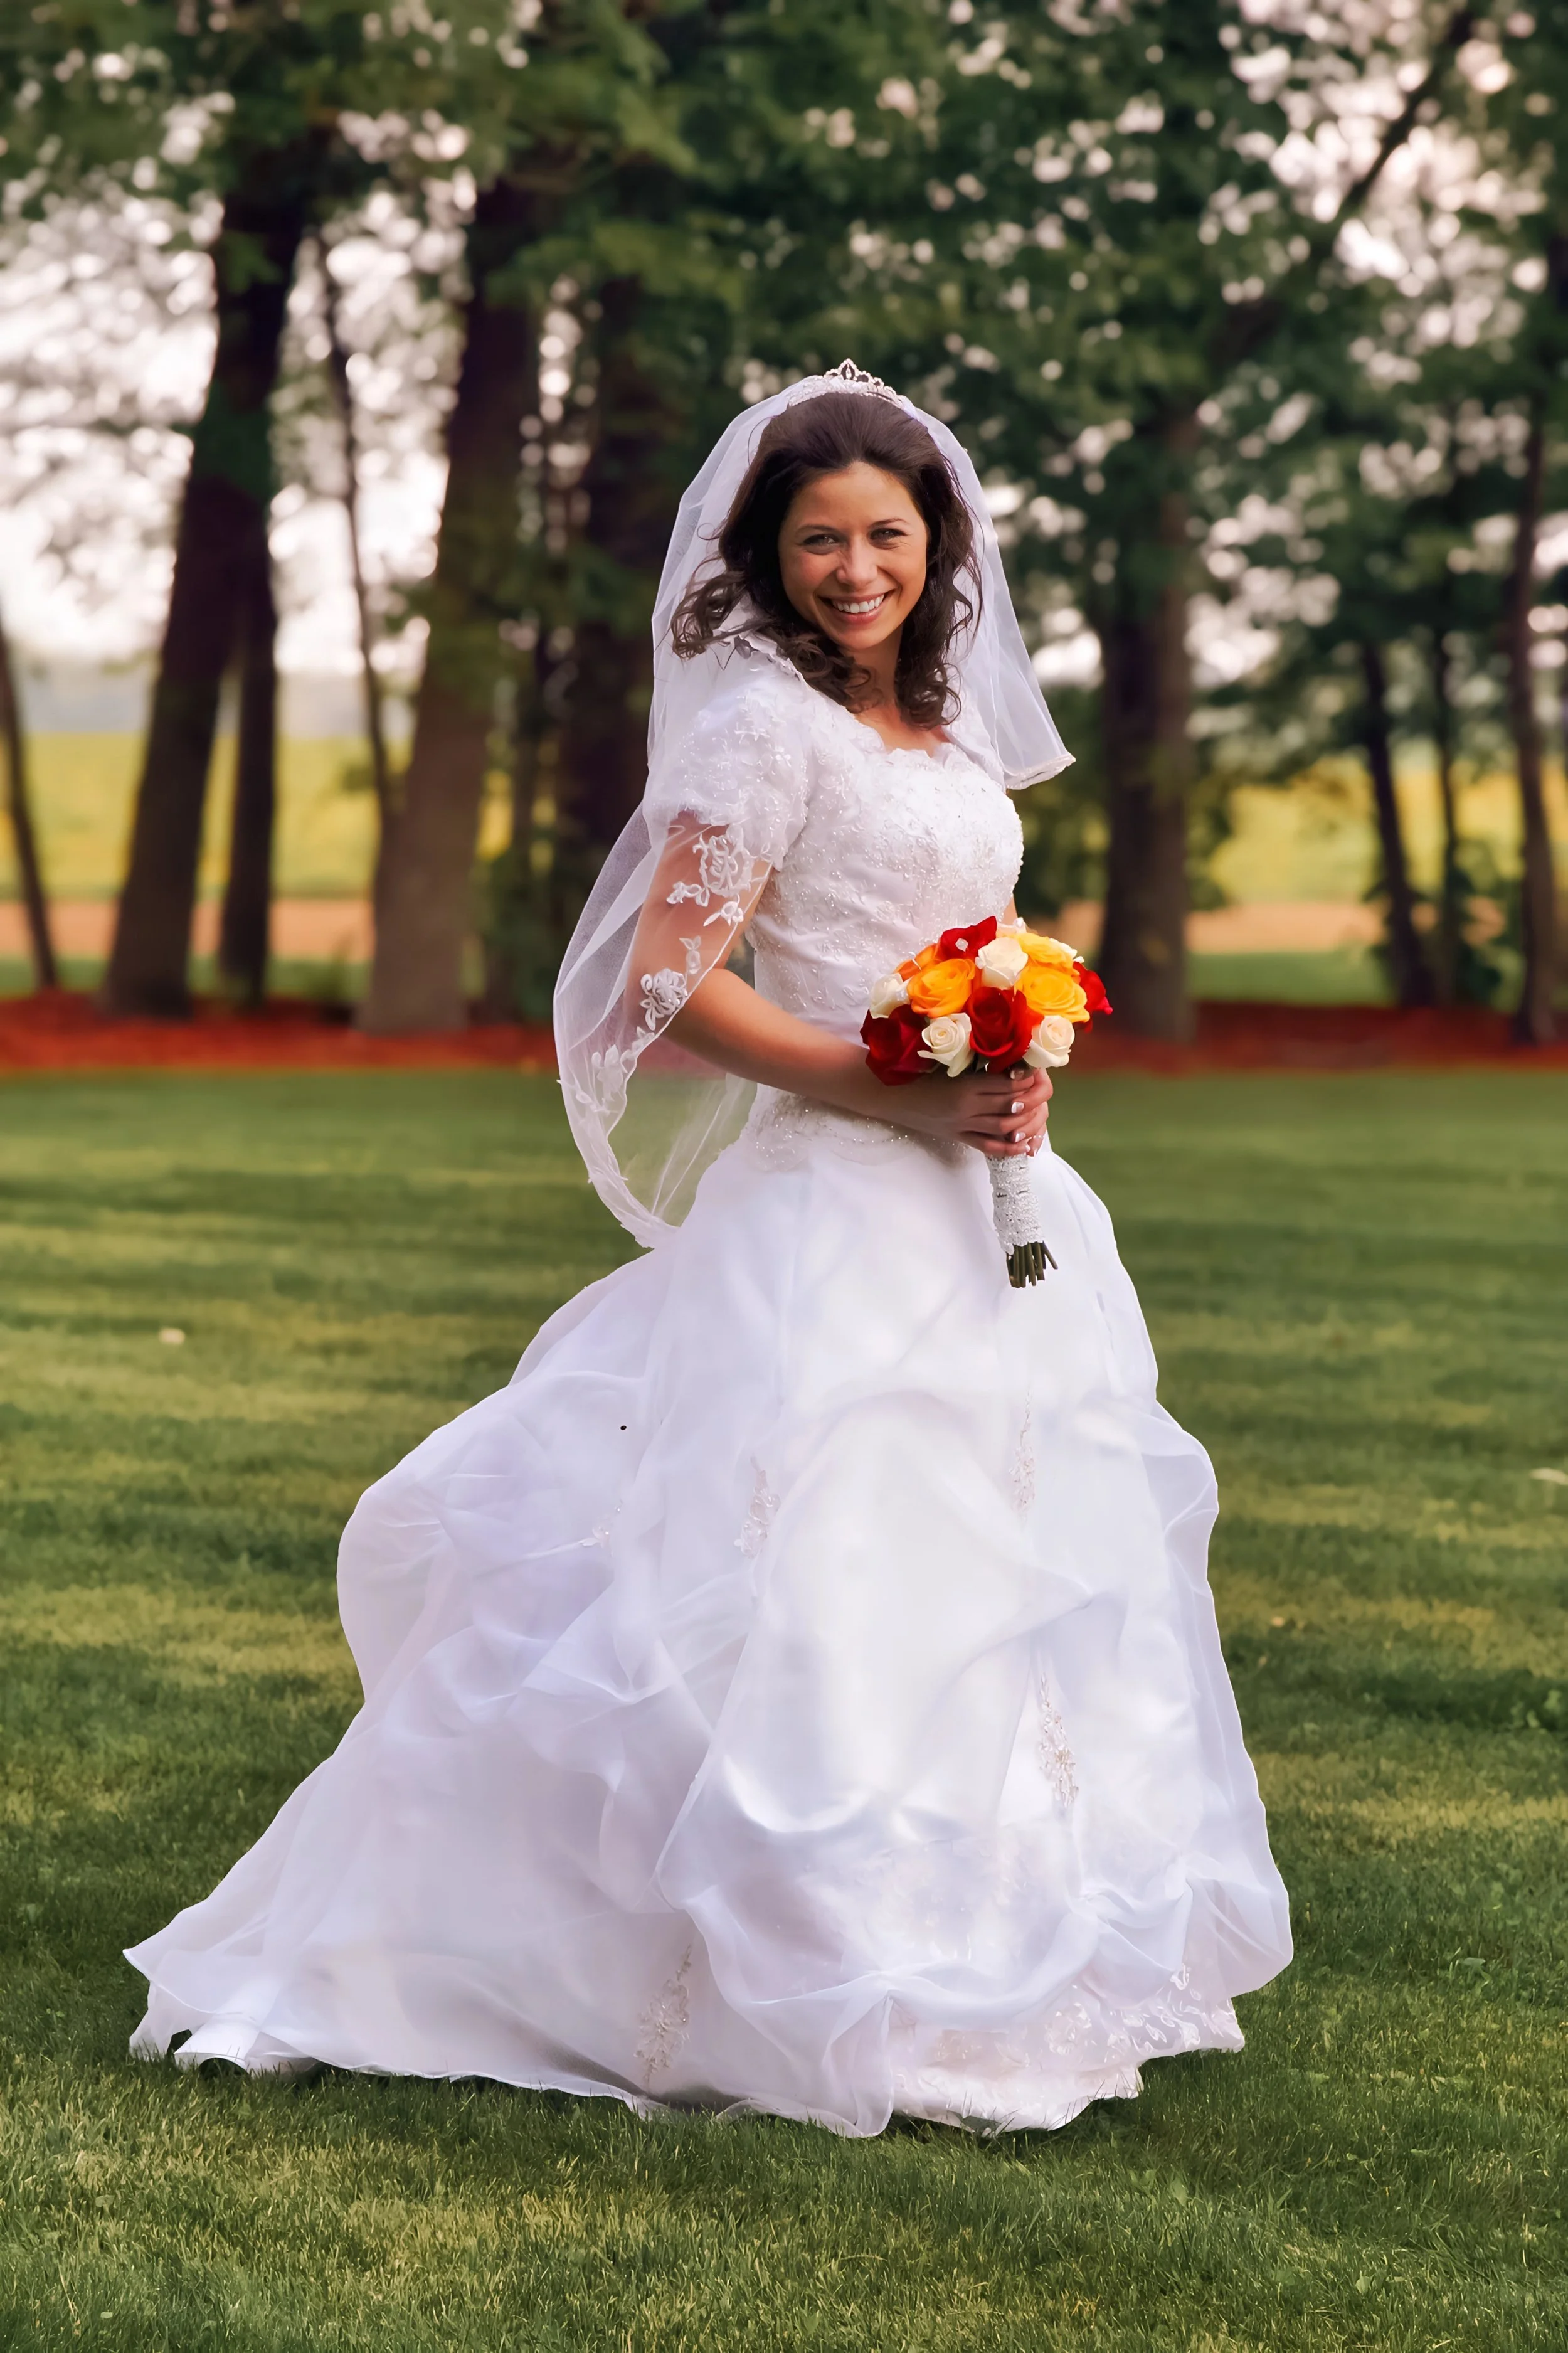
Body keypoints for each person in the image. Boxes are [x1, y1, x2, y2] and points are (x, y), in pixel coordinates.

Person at [127, 363, 1290, 2135]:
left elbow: (960, 935)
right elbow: (668, 986)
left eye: (884, 535)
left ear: (935, 546)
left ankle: (964, 1948)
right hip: (827, 1203)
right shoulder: (758, 728)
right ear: (766, 552)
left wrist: (1004, 1048)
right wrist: (888, 1093)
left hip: (987, 1207)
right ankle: (714, 1969)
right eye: (817, 538)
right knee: (787, 1581)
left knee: (971, 1582)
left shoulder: (954, 736)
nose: (853, 568)